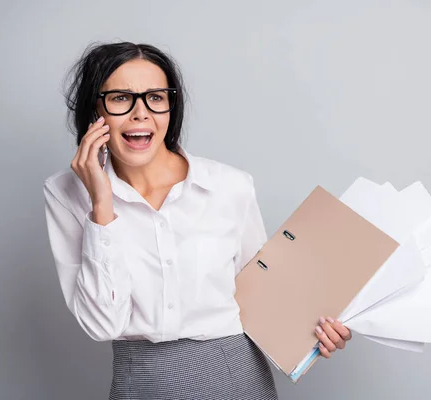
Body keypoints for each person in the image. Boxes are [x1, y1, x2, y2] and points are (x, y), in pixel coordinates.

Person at [43, 41, 352, 400]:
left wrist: (314, 333)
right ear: (95, 109)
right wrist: (101, 204)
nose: (141, 113)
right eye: (120, 98)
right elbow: (102, 324)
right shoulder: (65, 193)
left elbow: (261, 299)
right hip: (140, 384)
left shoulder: (230, 186)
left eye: (156, 98)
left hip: (235, 378)